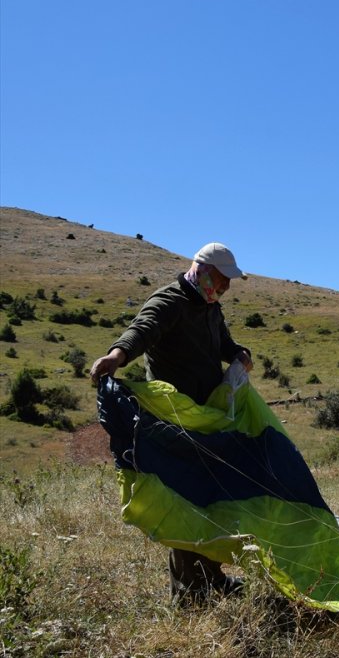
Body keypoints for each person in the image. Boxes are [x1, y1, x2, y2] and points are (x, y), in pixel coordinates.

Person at [90, 242, 254, 603]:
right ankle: (189, 593)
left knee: (210, 499)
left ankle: (213, 578)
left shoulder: (211, 307)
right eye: (222, 280)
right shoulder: (170, 301)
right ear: (202, 271)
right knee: (185, 502)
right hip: (174, 421)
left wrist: (236, 352)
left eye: (229, 283)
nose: (225, 287)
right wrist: (117, 355)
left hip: (205, 419)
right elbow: (142, 329)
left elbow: (222, 343)